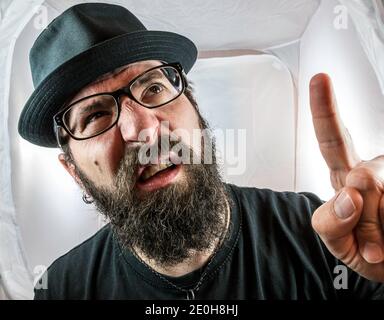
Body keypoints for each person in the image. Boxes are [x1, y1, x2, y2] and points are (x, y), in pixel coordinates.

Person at [19, 3, 384, 300]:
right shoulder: (64, 289)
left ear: (194, 106)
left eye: (153, 88)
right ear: (74, 171)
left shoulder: (326, 240)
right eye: (96, 115)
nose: (144, 130)